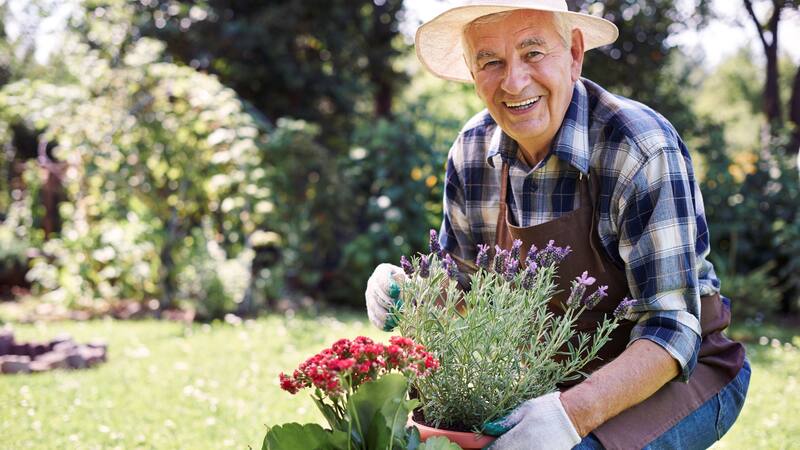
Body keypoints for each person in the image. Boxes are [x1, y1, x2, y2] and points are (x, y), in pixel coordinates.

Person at [365, 1, 749, 449]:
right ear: (472, 72)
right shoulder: (471, 152)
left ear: (574, 54)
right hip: (549, 378)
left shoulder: (639, 146)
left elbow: (670, 328)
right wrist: (414, 291)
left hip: (678, 372)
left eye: (533, 53)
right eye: (490, 62)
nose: (514, 82)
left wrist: (571, 414)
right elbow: (465, 295)